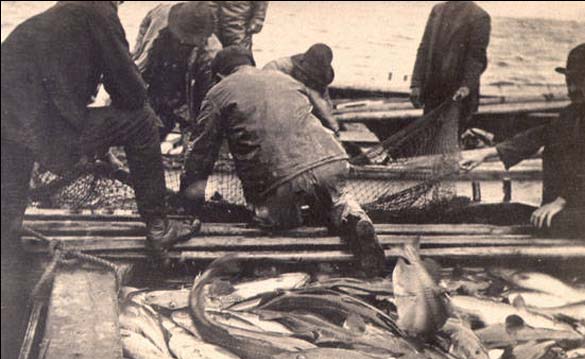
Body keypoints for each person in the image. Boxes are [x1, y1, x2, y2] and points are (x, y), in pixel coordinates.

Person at [1, 1, 200, 256]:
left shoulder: (68, 10)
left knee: (8, 218)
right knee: (142, 121)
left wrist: (101, 146)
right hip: (36, 126)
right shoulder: (99, 11)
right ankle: (159, 228)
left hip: (12, 120)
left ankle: (8, 244)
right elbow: (131, 93)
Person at [180, 47, 386, 277]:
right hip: (331, 160)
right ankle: (353, 216)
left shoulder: (218, 92)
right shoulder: (284, 79)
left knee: (277, 221)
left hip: (280, 179)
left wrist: (189, 203)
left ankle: (287, 219)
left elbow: (200, 154)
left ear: (219, 75)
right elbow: (320, 118)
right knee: (336, 198)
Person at [461, 43, 585, 241]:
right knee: (496, 212)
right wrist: (487, 153)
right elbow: (541, 134)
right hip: (570, 209)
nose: (571, 89)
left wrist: (561, 201)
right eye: (568, 82)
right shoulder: (573, 112)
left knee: (544, 222)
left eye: (577, 82)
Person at [132, 1, 218, 140]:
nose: (182, 40)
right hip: (162, 92)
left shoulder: (210, 55)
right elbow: (144, 67)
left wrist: (192, 124)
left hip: (189, 96)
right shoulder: (163, 32)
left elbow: (207, 100)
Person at [410, 1, 491, 134]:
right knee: (429, 136)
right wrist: (416, 84)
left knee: (452, 138)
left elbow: (476, 58)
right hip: (433, 92)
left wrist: (466, 86)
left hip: (458, 96)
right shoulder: (437, 10)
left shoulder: (479, 16)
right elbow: (424, 48)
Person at [263, 43, 340, 134]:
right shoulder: (276, 68)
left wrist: (333, 124)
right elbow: (265, 96)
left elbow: (324, 101)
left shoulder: (321, 75)